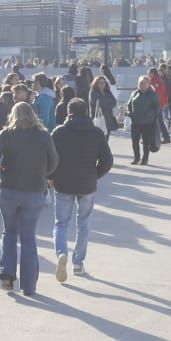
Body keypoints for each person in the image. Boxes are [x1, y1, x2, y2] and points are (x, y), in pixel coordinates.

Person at [0, 102, 59, 297]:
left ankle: (7, 275)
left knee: (8, 232)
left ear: (13, 115)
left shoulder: (7, 134)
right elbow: (54, 162)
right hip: (34, 191)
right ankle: (29, 286)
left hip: (9, 189)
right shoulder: (44, 136)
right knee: (28, 237)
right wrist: (43, 173)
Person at [48, 99, 114, 280]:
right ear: (86, 112)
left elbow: (50, 158)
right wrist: (95, 174)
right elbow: (107, 161)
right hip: (87, 184)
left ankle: (61, 252)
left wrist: (51, 176)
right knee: (83, 224)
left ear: (68, 113)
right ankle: (78, 263)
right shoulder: (96, 133)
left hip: (63, 183)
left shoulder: (58, 133)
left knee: (61, 223)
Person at [126, 77, 162, 166]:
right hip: (135, 122)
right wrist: (129, 113)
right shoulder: (134, 93)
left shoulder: (153, 95)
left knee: (146, 142)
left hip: (147, 123)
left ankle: (145, 159)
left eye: (144, 83)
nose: (142, 85)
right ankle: (136, 157)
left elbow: (157, 109)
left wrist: (149, 114)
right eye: (141, 83)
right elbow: (129, 105)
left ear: (149, 84)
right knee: (135, 141)